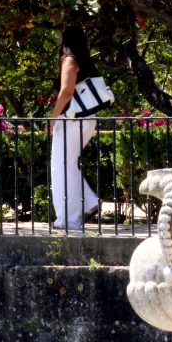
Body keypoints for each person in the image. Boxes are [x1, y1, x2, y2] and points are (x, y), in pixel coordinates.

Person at [46, 25, 101, 231]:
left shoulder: (69, 60)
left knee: (60, 167)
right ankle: (88, 203)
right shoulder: (86, 61)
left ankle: (68, 220)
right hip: (87, 118)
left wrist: (52, 118)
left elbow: (67, 91)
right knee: (68, 164)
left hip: (71, 119)